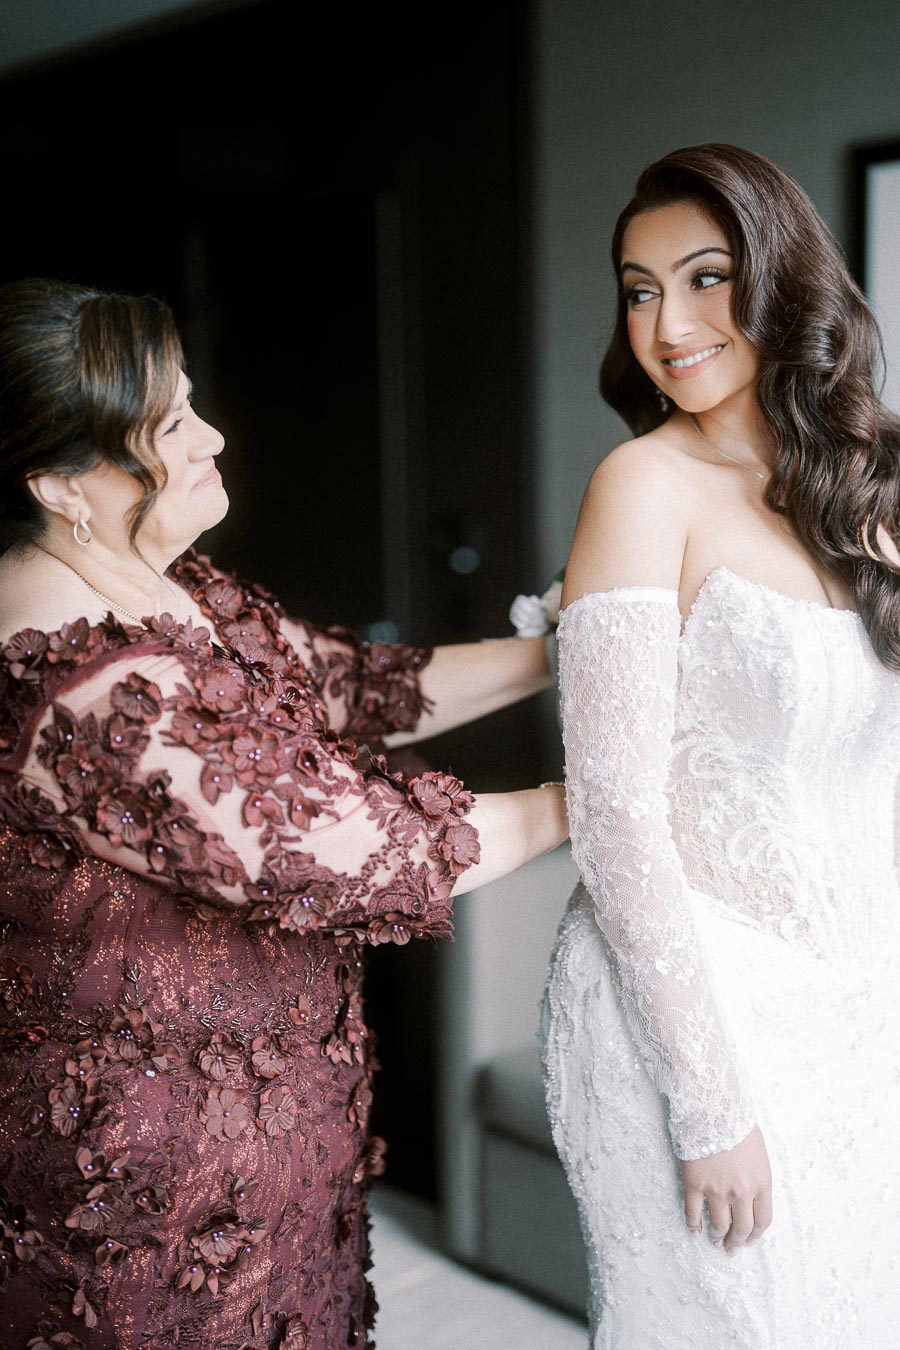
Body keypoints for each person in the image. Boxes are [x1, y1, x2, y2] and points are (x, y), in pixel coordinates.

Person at [0, 277, 567, 1349]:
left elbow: (352, 687)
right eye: (171, 424)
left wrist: (570, 648)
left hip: (271, 1163)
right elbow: (354, 856)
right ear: (59, 483)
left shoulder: (170, 585)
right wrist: (589, 801)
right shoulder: (79, 691)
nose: (212, 434)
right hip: (143, 1218)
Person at [540, 144, 900, 1349]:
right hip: (692, 1016)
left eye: (705, 278)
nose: (667, 323)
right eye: (639, 289)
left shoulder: (864, 488)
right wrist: (708, 1104)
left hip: (850, 1007)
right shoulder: (640, 485)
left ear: (785, 284)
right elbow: (619, 812)